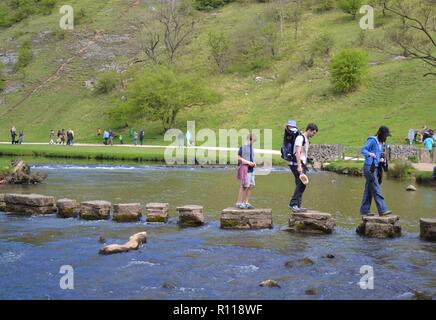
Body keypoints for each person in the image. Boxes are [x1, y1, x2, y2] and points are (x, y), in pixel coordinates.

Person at [360, 126, 392, 216]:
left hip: (376, 168)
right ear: (380, 134)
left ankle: (364, 210)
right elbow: (363, 150)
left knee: (369, 189)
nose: (386, 137)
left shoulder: (382, 143)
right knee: (376, 187)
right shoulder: (372, 140)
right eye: (385, 135)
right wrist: (370, 154)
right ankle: (383, 210)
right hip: (369, 167)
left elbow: (380, 153)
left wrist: (382, 158)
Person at [289, 123, 318, 213]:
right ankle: (293, 204)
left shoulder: (306, 139)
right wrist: (299, 166)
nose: (314, 135)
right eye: (313, 133)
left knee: (301, 184)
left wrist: (307, 160)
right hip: (296, 164)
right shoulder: (300, 138)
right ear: (309, 130)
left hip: (301, 164)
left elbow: (302, 153)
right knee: (302, 184)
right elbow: (297, 152)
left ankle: (297, 206)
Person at [236, 133, 256, 209]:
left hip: (251, 169)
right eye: (252, 141)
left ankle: (246, 202)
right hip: (245, 169)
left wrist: (254, 163)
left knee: (251, 185)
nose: (253, 143)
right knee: (244, 186)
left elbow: (251, 157)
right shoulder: (243, 147)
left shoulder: (251, 147)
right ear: (248, 139)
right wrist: (248, 163)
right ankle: (239, 203)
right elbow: (238, 158)